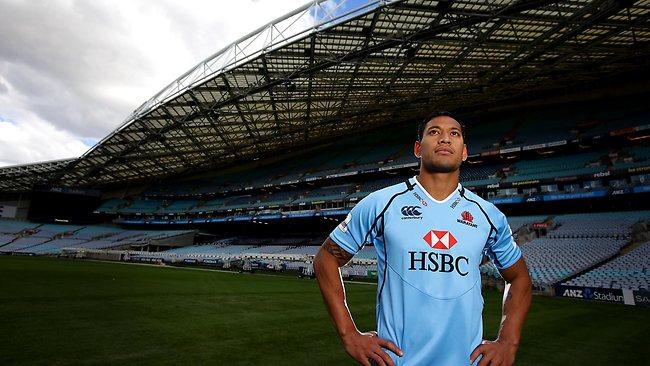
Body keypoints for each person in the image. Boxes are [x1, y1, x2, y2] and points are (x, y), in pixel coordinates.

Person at [313, 112, 532, 366]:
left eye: (454, 133)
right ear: (418, 148)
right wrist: (349, 335)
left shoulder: (488, 215)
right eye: (434, 132)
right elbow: (326, 259)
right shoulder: (382, 203)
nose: (445, 139)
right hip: (398, 362)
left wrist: (508, 340)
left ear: (464, 152)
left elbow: (519, 277)